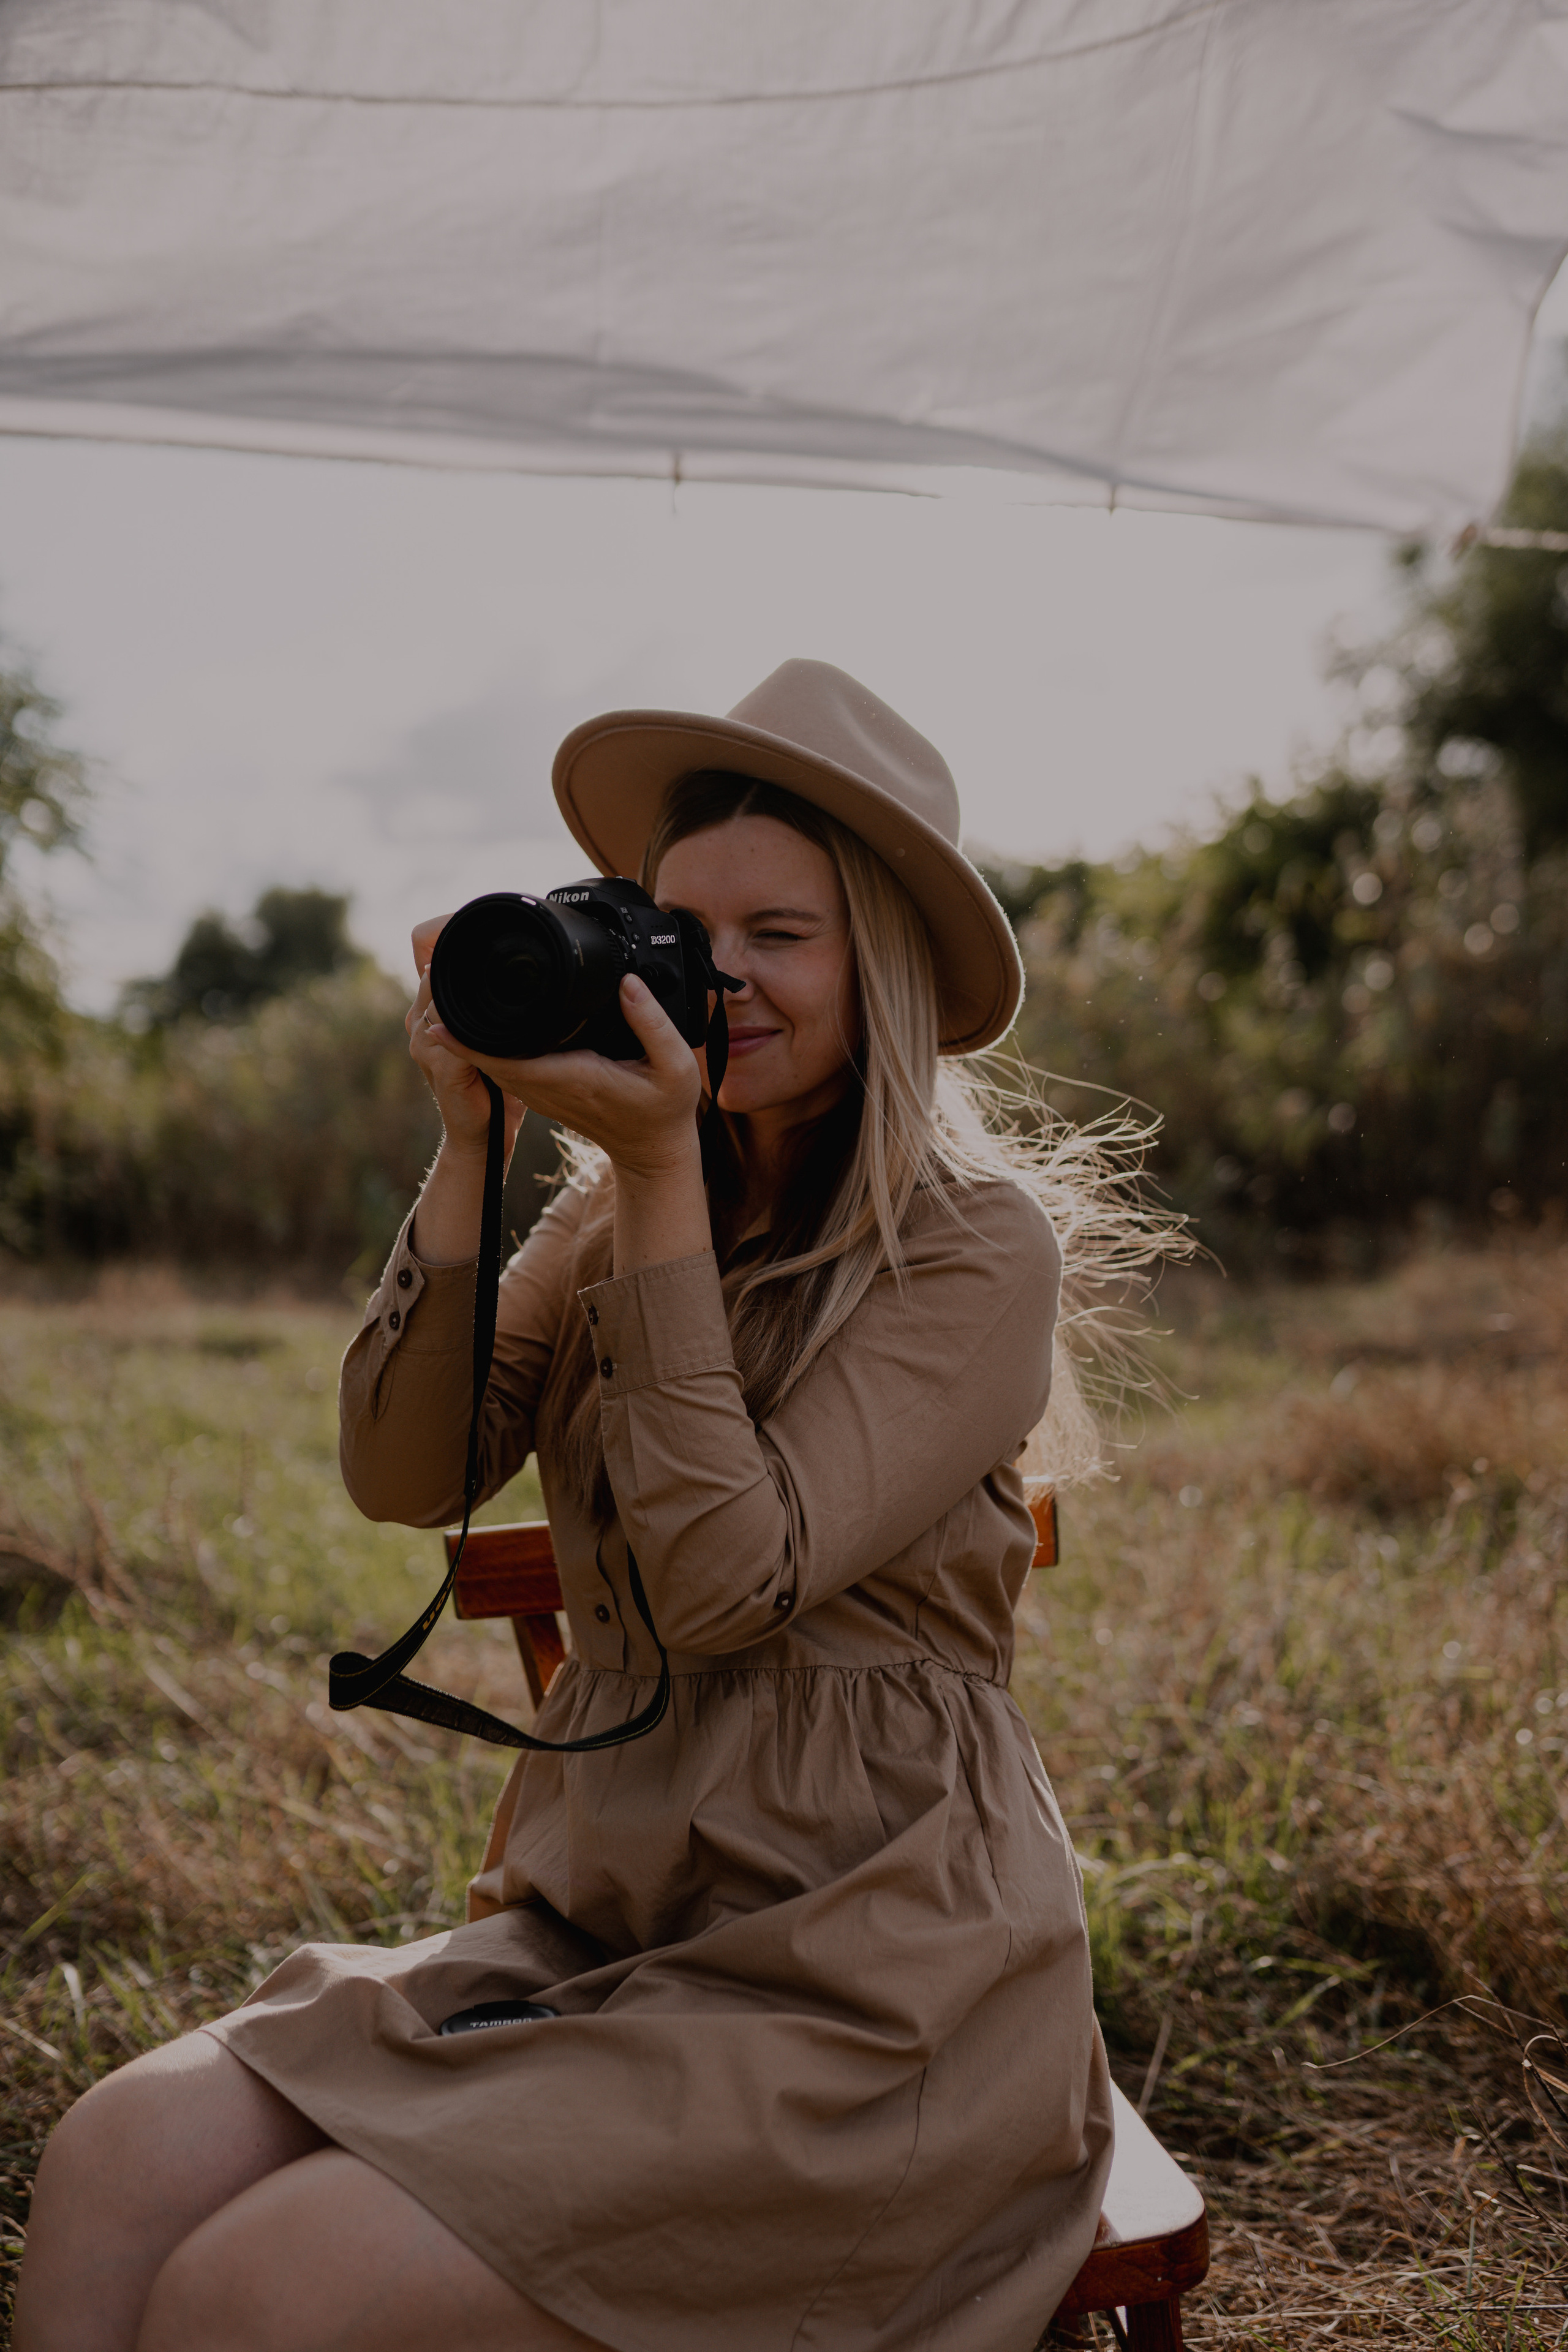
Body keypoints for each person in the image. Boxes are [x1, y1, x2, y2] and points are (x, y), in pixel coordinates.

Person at [16, 660, 1118, 2352]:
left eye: (780, 935)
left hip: (875, 1994)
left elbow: (725, 1587)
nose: (716, 976)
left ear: (878, 964)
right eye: (679, 929)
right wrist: (473, 1141)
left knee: (264, 2288)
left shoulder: (971, 1247)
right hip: (605, 1938)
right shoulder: (603, 1218)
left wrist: (663, 1175)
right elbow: (406, 1477)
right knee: (119, 2154)